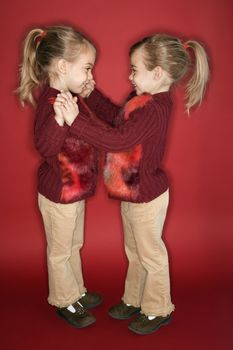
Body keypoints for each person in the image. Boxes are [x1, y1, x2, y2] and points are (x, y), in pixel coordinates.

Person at [55, 33, 209, 335]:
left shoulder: (154, 109)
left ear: (157, 74)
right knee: (135, 251)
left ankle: (157, 308)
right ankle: (135, 299)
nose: (130, 75)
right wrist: (90, 95)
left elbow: (118, 140)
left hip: (146, 197)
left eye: (135, 70)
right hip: (132, 194)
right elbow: (117, 119)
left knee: (151, 254)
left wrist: (76, 121)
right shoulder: (141, 101)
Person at [16, 25, 111, 329]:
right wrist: (58, 119)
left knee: (74, 244)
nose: (89, 74)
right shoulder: (52, 102)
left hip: (75, 191)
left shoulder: (70, 95)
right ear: (62, 66)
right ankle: (64, 300)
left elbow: (86, 135)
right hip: (59, 194)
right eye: (86, 68)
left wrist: (85, 94)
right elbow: (44, 147)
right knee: (60, 251)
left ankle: (76, 291)